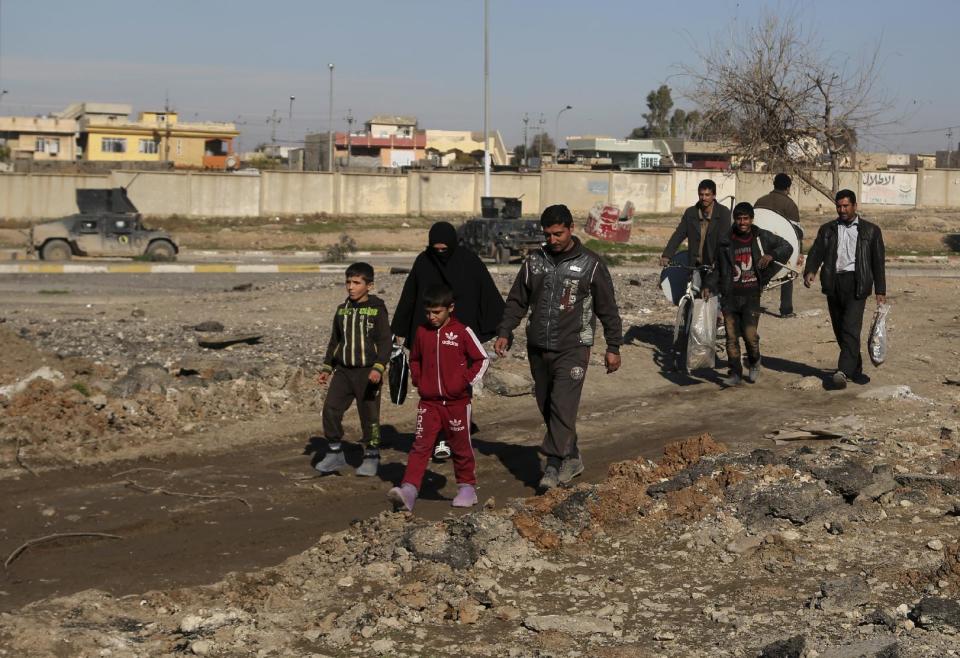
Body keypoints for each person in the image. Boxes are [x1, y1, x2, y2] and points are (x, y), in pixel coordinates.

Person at [495, 204, 622, 490]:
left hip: (574, 348)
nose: (552, 240)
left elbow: (608, 309)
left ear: (571, 229)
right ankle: (572, 456)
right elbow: (517, 300)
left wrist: (613, 346)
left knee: (563, 405)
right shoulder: (533, 262)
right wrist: (505, 330)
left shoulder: (591, 264)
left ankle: (552, 465)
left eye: (558, 234)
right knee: (548, 405)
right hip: (538, 347)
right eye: (548, 235)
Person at [392, 220, 504, 459]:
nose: (440, 252)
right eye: (436, 248)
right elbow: (410, 296)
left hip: (458, 339)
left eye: (445, 248)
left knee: (459, 389)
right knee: (433, 388)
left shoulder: (469, 261)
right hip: (429, 337)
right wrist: (398, 329)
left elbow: (488, 294)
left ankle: (458, 434)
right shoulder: (424, 261)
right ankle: (441, 439)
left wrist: (504, 329)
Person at [387, 285, 490, 512]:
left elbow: (482, 359)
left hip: (457, 403)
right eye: (428, 313)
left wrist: (465, 381)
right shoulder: (422, 332)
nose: (432, 317)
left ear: (450, 308)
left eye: (437, 312)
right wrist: (418, 378)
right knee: (420, 446)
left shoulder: (462, 331)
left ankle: (466, 488)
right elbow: (414, 359)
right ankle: (409, 491)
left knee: (460, 445)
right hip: (429, 402)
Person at [314, 262, 392, 476]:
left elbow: (386, 342)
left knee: (370, 416)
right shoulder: (342, 311)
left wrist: (378, 367)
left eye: (356, 282)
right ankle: (334, 451)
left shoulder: (377, 310)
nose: (351, 287)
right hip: (344, 372)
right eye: (348, 282)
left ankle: (372, 454)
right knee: (330, 409)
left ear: (370, 285)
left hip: (368, 373)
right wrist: (327, 368)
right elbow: (335, 342)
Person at [803, 189, 886, 389]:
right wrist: (810, 270)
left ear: (855, 206)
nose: (842, 210)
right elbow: (817, 252)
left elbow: (878, 262)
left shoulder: (871, 231)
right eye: (839, 206)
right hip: (833, 282)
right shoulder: (828, 229)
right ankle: (854, 365)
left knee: (850, 326)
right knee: (840, 328)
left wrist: (880, 291)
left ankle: (843, 371)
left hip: (858, 283)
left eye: (846, 206)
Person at [705, 202, 793, 386]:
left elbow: (787, 247)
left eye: (746, 219)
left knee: (750, 335)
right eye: (739, 219)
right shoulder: (725, 241)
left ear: (752, 219)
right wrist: (709, 286)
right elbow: (718, 269)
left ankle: (754, 361)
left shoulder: (761, 237)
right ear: (735, 220)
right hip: (730, 296)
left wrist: (771, 255)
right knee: (731, 337)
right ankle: (735, 372)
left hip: (752, 295)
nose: (742, 222)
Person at [755, 173, 803, 317]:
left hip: (759, 246)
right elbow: (794, 234)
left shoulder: (760, 201)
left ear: (774, 184)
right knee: (787, 273)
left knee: (755, 276)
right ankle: (786, 309)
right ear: (788, 188)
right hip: (781, 248)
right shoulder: (790, 205)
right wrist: (797, 253)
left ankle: (753, 305)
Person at [659, 178, 732, 271]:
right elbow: (679, 234)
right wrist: (667, 255)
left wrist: (720, 261)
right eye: (701, 195)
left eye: (707, 195)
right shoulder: (691, 213)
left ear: (714, 196)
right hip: (695, 264)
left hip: (714, 265)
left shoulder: (723, 212)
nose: (704, 198)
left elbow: (724, 240)